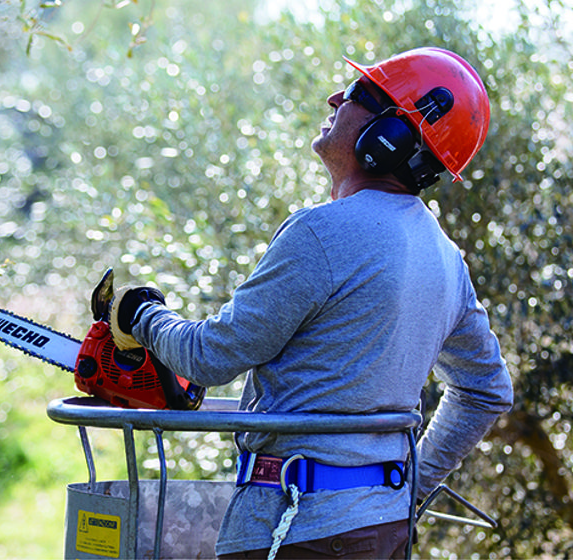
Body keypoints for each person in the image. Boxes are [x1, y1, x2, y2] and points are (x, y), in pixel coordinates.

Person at [108, 47, 514, 559]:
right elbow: (487, 389)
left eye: (359, 95)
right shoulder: (444, 256)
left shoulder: (323, 233)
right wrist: (414, 484)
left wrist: (143, 316)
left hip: (296, 527)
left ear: (390, 138)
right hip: (383, 526)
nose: (335, 98)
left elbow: (209, 358)